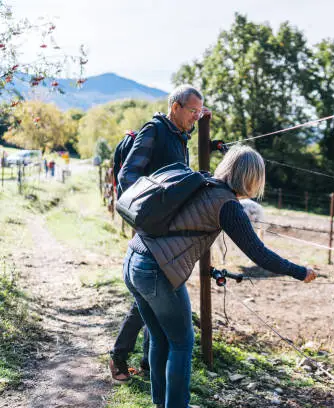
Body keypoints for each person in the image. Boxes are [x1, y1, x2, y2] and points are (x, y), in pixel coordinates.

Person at [123, 145, 316, 408]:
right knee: (182, 343)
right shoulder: (228, 205)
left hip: (134, 259)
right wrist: (300, 271)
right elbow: (258, 254)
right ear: (252, 178)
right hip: (157, 270)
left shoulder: (201, 184)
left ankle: (162, 403)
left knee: (160, 337)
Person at [109, 84, 212, 382]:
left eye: (199, 112)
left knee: (154, 294)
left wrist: (204, 128)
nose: (196, 116)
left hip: (169, 226)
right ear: (175, 107)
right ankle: (118, 356)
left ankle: (146, 362)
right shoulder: (153, 130)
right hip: (153, 226)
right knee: (150, 291)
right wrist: (147, 212)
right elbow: (128, 175)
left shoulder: (179, 135)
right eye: (192, 111)